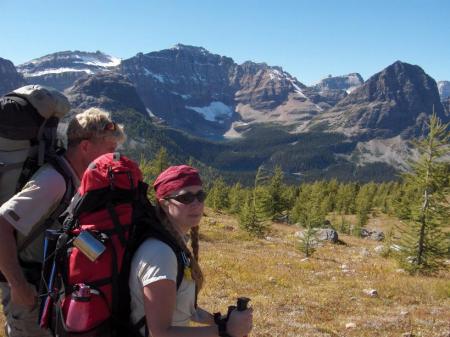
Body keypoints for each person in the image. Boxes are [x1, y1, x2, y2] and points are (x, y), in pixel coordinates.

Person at [0, 107, 126, 337]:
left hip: (48, 290)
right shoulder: (54, 180)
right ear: (86, 146)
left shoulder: (76, 179)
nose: (113, 158)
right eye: (109, 150)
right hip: (29, 291)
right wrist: (18, 286)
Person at [129, 165, 253, 337]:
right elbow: (160, 333)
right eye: (186, 198)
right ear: (165, 204)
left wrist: (219, 321)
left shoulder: (174, 246)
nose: (196, 203)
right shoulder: (160, 254)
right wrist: (225, 331)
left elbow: (185, 309)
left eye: (200, 196)